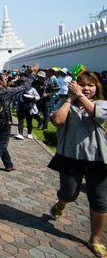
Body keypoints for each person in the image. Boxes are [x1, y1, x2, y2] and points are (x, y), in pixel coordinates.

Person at [48, 70, 107, 257]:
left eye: (90, 85)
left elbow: (96, 115)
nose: (86, 88)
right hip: (70, 156)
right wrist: (69, 99)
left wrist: (80, 96)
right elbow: (58, 120)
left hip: (97, 158)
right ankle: (61, 203)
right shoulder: (65, 103)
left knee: (99, 201)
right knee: (69, 193)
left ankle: (95, 239)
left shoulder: (101, 104)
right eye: (82, 84)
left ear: (97, 87)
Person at [0, 64, 39, 177]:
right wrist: (33, 74)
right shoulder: (4, 91)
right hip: (3, 121)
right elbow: (24, 87)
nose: (5, 80)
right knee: (2, 143)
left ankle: (8, 164)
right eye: (4, 79)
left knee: (1, 142)